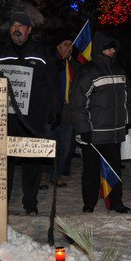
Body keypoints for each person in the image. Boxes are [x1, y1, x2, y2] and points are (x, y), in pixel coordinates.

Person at [0, 11, 60, 215]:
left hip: (32, 119)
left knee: (32, 162)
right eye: (13, 26)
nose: (16, 29)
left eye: (21, 26)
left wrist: (54, 107)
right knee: (3, 161)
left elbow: (52, 83)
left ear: (29, 30)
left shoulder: (42, 53)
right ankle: (2, 204)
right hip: (4, 118)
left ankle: (30, 202)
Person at [71, 30, 131, 214]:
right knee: (91, 169)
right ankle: (89, 202)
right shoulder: (88, 72)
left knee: (114, 169)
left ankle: (116, 202)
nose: (112, 51)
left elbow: (127, 99)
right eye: (108, 48)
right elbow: (78, 101)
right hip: (94, 131)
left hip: (114, 132)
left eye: (114, 48)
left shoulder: (119, 71)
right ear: (99, 49)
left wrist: (128, 122)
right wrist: (83, 128)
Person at [39, 38, 78, 189]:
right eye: (65, 44)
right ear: (57, 46)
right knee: (48, 144)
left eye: (71, 45)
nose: (69, 47)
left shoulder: (74, 66)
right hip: (52, 110)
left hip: (68, 111)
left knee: (64, 146)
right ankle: (43, 174)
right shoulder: (50, 63)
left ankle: (56, 174)